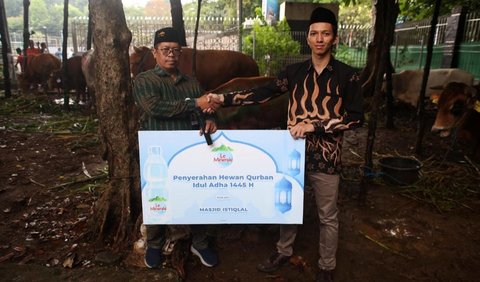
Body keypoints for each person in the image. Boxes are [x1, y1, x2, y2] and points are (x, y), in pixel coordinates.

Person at [204, 7, 364, 282]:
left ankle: (326, 266)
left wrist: (314, 125)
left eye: (326, 34)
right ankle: (283, 251)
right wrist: (222, 99)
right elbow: (261, 94)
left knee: (327, 215)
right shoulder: (294, 72)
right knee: (288, 204)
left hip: (326, 156)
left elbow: (356, 119)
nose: (319, 39)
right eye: (314, 33)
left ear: (335, 39)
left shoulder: (348, 76)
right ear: (308, 38)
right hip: (293, 153)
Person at [132, 27, 220, 271]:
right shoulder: (144, 80)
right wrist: (194, 103)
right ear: (154, 52)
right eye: (165, 50)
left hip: (189, 153)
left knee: (196, 194)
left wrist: (211, 121)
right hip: (157, 152)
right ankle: (155, 244)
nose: (171, 55)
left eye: (176, 50)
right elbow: (154, 108)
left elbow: (205, 109)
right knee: (156, 197)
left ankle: (200, 243)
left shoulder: (191, 82)